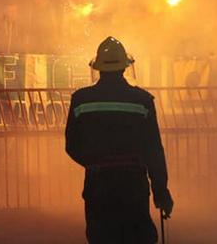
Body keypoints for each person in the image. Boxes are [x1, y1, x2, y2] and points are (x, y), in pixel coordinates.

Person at [65, 36, 173, 244]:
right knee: (138, 237)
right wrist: (161, 191)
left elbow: (72, 145)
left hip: (98, 185)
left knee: (102, 236)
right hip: (133, 185)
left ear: (98, 68)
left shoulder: (81, 100)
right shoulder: (142, 100)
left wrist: (95, 163)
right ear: (125, 67)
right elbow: (153, 150)